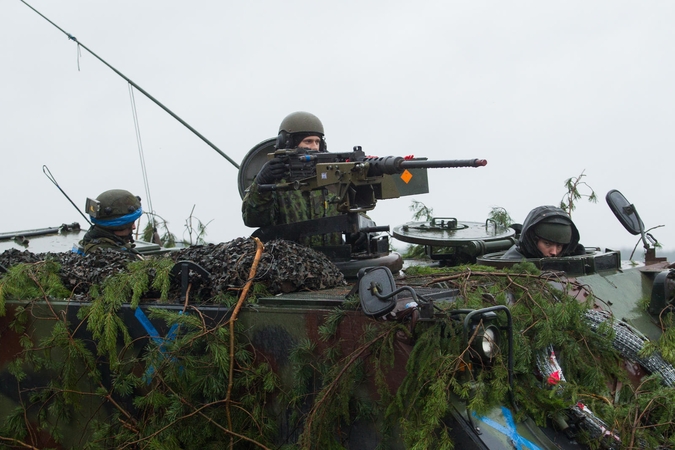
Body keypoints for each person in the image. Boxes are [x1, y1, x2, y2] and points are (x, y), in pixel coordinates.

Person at [242, 111, 344, 248]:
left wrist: (362, 231)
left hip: (335, 262)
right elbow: (253, 219)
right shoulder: (277, 184)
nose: (314, 147)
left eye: (317, 142)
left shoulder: (330, 179)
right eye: (308, 141)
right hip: (290, 264)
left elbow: (356, 210)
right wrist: (261, 185)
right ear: (289, 143)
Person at [501, 205, 585, 259]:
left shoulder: (572, 257)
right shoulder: (511, 264)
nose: (554, 252)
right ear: (532, 240)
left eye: (559, 246)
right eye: (547, 244)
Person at [77, 189, 143, 255]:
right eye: (131, 223)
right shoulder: (116, 256)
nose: (134, 227)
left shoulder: (88, 242)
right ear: (118, 226)